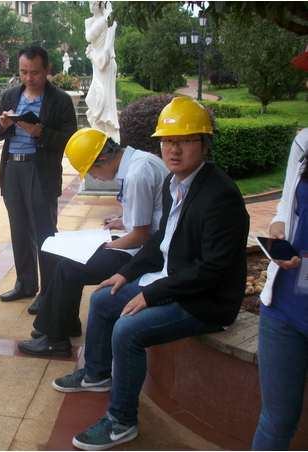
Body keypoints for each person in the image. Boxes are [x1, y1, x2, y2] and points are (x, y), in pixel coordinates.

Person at [53, 97, 249, 450]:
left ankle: (121, 421)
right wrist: (127, 273)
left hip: (206, 301)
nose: (174, 149)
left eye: (185, 141)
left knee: (128, 329)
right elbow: (160, 239)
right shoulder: (176, 183)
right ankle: (97, 374)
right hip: (173, 278)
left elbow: (212, 269)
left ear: (205, 144)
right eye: (168, 141)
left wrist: (152, 294)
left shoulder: (220, 196)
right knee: (104, 298)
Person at [18, 128, 168, 358]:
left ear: (103, 157)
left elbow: (140, 236)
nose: (93, 177)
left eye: (90, 170)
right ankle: (65, 324)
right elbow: (149, 215)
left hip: (150, 253)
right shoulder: (138, 161)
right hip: (148, 243)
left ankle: (55, 341)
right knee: (67, 259)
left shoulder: (137, 175)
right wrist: (122, 221)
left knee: (70, 267)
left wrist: (102, 247)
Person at [252, 45, 308, 451]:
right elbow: (286, 205)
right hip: (285, 305)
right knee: (275, 422)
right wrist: (277, 230)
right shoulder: (304, 142)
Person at [0, 45, 77, 304]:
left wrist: (40, 132)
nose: (28, 78)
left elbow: (69, 138)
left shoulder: (60, 100)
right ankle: (25, 284)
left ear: (47, 70)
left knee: (45, 233)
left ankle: (48, 292)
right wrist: (3, 125)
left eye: (35, 72)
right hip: (12, 169)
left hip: (40, 171)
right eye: (23, 72)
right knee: (19, 231)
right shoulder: (11, 95)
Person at [84, 0, 119, 137]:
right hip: (98, 63)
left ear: (101, 5)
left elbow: (89, 37)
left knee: (103, 101)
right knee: (92, 100)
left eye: (95, 4)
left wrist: (93, 55)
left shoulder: (104, 21)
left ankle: (107, 134)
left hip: (104, 61)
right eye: (90, 3)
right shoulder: (95, 20)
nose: (92, 7)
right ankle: (99, 132)